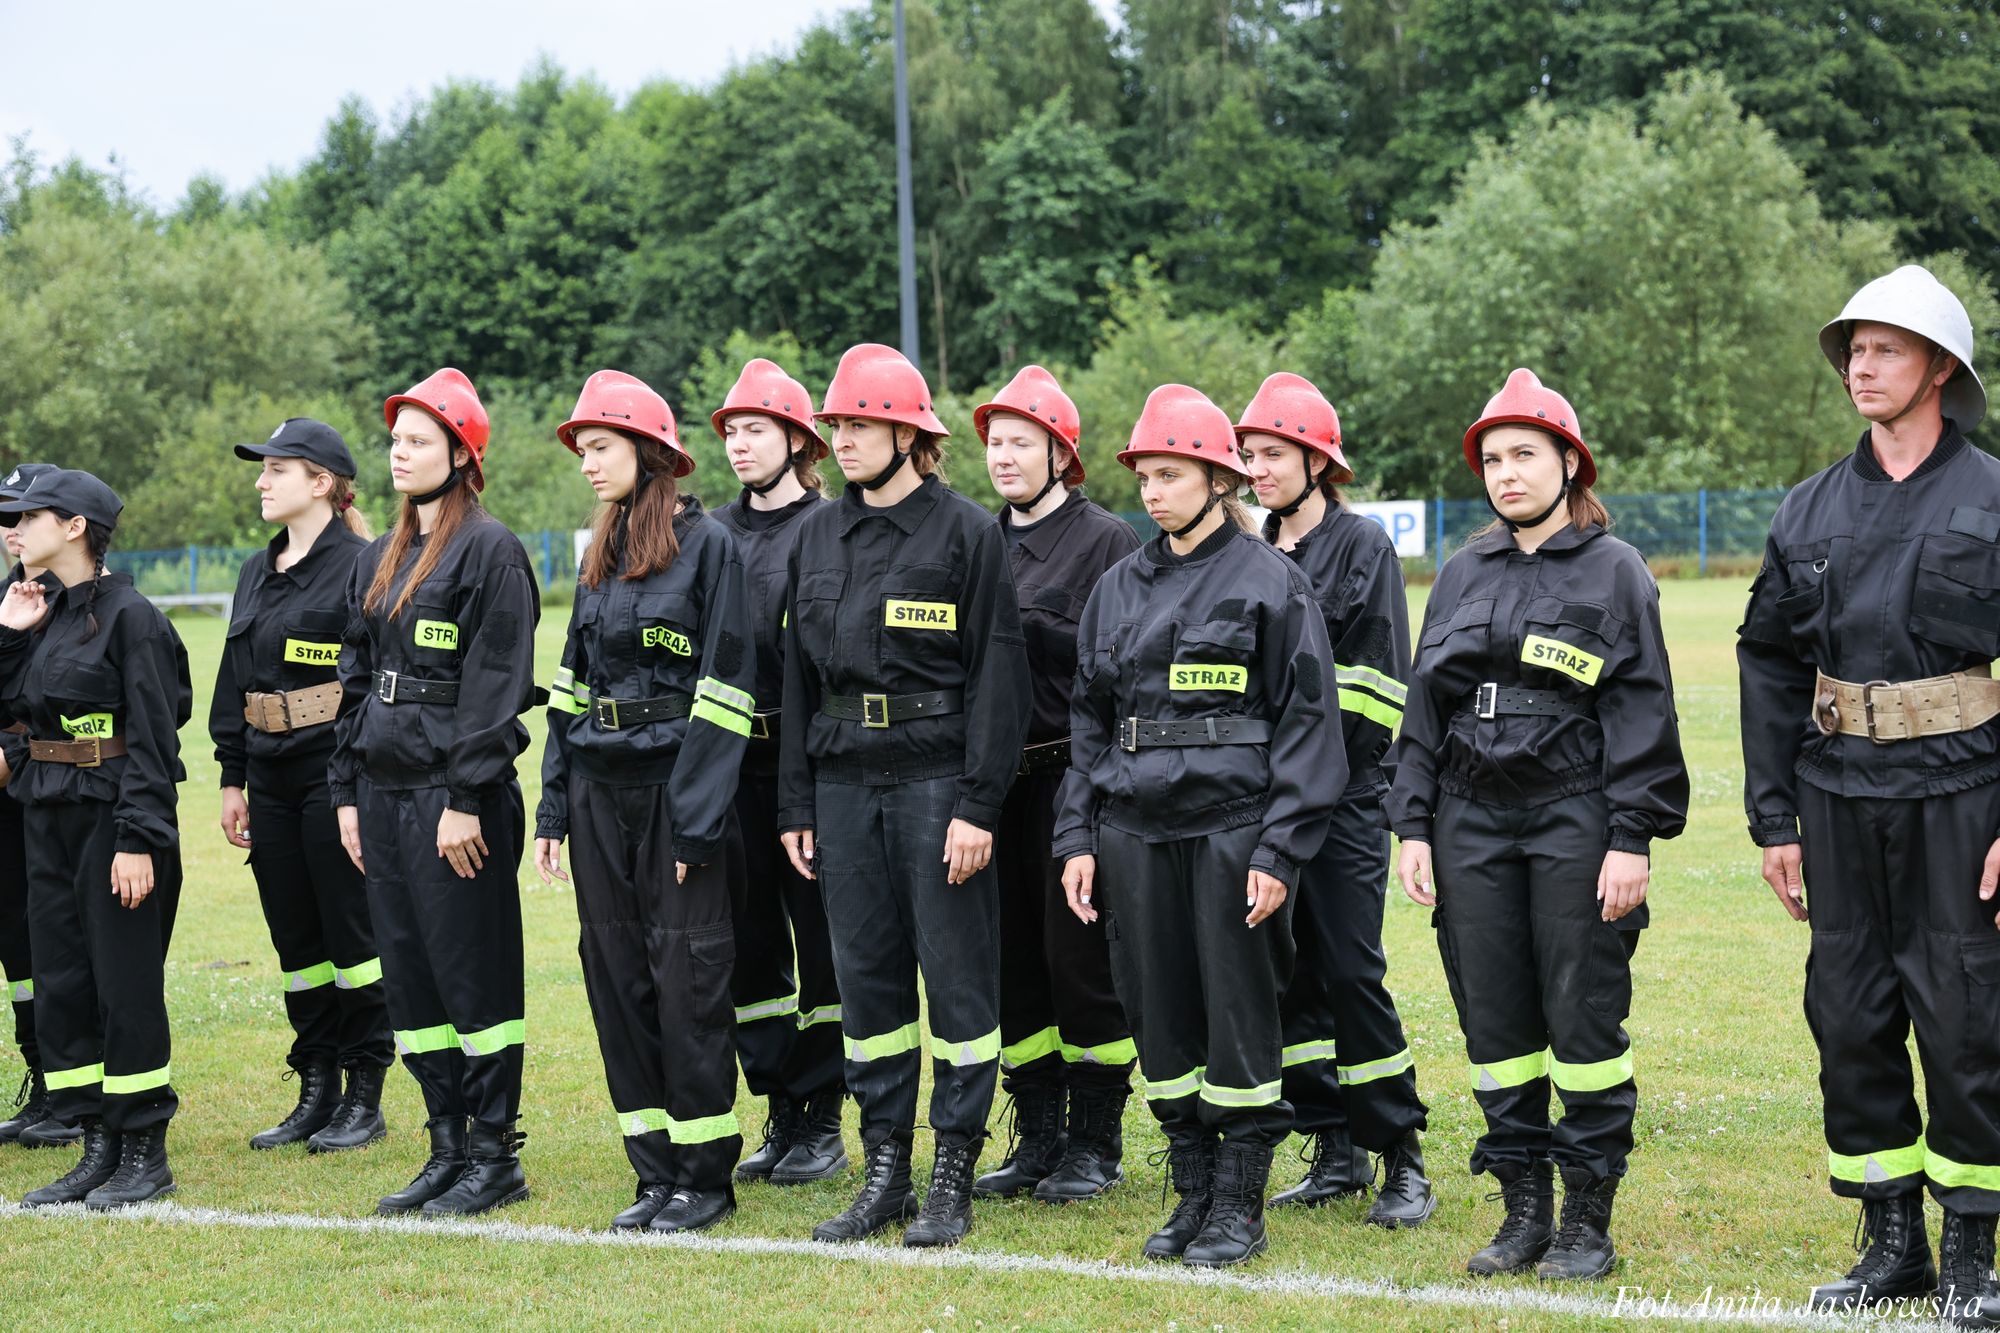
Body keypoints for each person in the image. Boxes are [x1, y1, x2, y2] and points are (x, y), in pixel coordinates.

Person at [1738, 265, 2000, 1325]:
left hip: (1962, 795)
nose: (1859, 363)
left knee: (1965, 1020)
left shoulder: (1990, 497)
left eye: (1884, 347)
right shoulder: (1806, 508)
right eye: (1851, 347)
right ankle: (1888, 1237)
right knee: (1846, 1015)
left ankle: (1973, 1255)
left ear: (1938, 367)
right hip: (1835, 795)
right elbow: (1763, 660)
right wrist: (1771, 817)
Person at [1390, 368, 1688, 1282]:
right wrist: (1412, 825)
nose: (1506, 472)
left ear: (1570, 461)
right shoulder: (1463, 570)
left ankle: (1587, 1222)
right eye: (1492, 458)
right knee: (1496, 1022)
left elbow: (1642, 708)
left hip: (1574, 817)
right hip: (1468, 822)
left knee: (1583, 1020)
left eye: (1525, 454)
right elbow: (1423, 711)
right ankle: (1525, 1212)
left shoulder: (1617, 569)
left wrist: (1630, 834)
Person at [1055, 383, 1341, 1268]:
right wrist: (1076, 838)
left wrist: (1280, 849)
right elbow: (1088, 723)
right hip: (1132, 835)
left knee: (1238, 1015)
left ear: (1219, 480)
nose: (1151, 490)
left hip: (1232, 829)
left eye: (1171, 474)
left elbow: (1309, 724)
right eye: (1144, 474)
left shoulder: (1271, 582)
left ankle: (1238, 1204)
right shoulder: (1114, 588)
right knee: (1159, 1015)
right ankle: (1190, 1190)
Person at [777, 343, 1030, 1247]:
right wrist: (795, 805)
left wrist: (978, 803)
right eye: (836, 424)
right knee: (866, 981)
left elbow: (999, 679)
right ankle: (884, 1165)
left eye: (859, 424)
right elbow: (796, 682)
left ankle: (953, 1168)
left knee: (958, 981)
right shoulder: (814, 534)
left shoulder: (967, 533)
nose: (841, 439)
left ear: (908, 433)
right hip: (841, 782)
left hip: (935, 781)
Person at [533, 370, 757, 1233]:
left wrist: (696, 822)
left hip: (676, 796)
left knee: (687, 978)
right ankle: (653, 1170)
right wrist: (554, 809)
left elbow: (726, 689)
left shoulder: (710, 548)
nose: (588, 464)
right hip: (597, 793)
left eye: (600, 448)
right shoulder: (598, 554)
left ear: (650, 451)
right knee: (617, 977)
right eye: (584, 451)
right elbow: (568, 686)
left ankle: (704, 1178)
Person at [329, 367, 541, 1217]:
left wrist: (464, 797)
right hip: (382, 798)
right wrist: (346, 791)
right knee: (412, 981)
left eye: (418, 440)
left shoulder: (491, 550)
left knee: (472, 978)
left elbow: (497, 685)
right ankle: (445, 1144)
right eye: (394, 440)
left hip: (458, 805)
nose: (398, 454)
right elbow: (354, 677)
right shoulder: (382, 556)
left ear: (461, 452)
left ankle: (495, 1154)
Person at [1239, 372, 1433, 1226]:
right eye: (1248, 456)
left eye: (1275, 454)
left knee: (1353, 973)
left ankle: (1401, 1155)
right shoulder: (1249, 550)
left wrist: (1305, 780)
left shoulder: (1364, 549)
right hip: (1265, 810)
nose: (1258, 470)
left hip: (1346, 802)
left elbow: (1373, 691)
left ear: (1320, 460)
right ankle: (1333, 1145)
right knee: (1292, 978)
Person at [0, 468, 192, 1208]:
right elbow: (16, 709)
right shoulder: (39, 612)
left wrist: (138, 838)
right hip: (46, 817)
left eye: (29, 516)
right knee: (63, 985)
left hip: (114, 822)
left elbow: (152, 737)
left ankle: (144, 1147)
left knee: (125, 987)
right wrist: (8, 636)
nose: (15, 530)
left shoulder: (132, 616)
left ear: (76, 526)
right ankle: (96, 1144)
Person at [971, 365, 1139, 1204]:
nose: (1003, 457)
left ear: (1059, 454)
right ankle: (1035, 1134)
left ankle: (1095, 1141)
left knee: (1080, 962)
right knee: (1012, 968)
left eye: (1020, 443)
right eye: (994, 443)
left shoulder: (1106, 542)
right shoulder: (977, 540)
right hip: (992, 789)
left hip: (1075, 782)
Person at [211, 419, 391, 1154]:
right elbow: (234, 677)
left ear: (322, 482)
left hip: (333, 769)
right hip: (269, 774)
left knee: (351, 935)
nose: (261, 480)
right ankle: (315, 1082)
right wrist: (231, 776)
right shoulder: (258, 570)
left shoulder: (362, 564)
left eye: (276, 469)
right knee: (297, 941)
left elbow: (370, 681)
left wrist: (350, 781)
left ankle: (364, 1090)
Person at [709, 358, 848, 1188]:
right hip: (733, 771)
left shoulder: (829, 529)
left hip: (815, 775)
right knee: (749, 950)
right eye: (729, 430)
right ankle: (781, 1108)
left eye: (755, 428)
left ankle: (825, 1113)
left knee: (824, 948)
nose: (738, 443)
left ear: (799, 439)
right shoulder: (713, 536)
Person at [0, 463, 76, 1147]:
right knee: (18, 950)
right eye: (3, 517)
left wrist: (9, 753)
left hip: (41, 791)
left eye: (22, 514)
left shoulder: (67, 597)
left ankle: (70, 1084)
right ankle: (46, 1079)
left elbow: (41, 705)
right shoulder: (11, 593)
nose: (10, 528)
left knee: (50, 942)